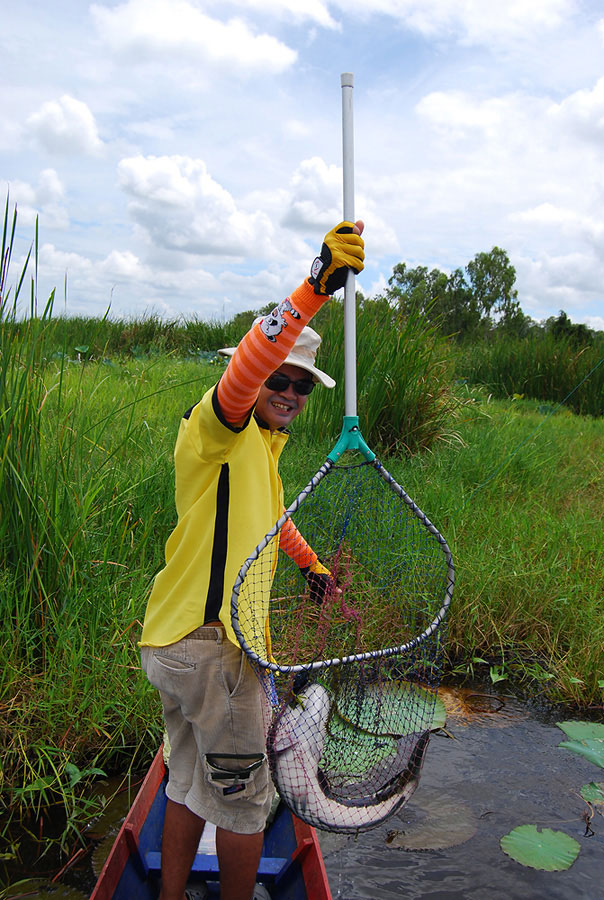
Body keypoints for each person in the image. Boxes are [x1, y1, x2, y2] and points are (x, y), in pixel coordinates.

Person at [140, 220, 365, 900]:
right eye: (280, 377)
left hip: (175, 648)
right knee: (245, 805)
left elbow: (273, 521)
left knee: (185, 786)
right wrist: (314, 288)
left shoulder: (262, 451)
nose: (289, 392)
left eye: (302, 385)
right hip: (217, 652)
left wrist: (311, 566)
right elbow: (243, 371)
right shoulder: (219, 423)